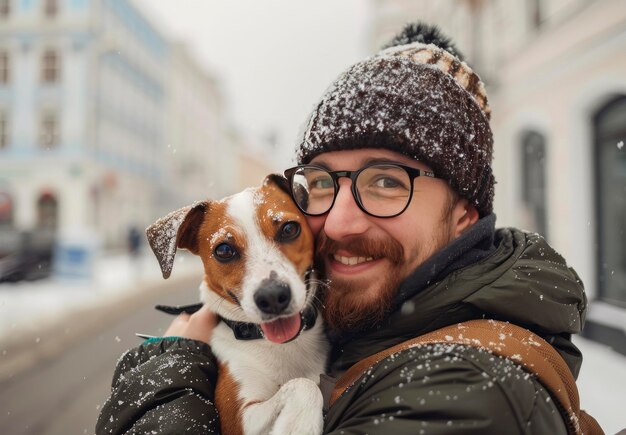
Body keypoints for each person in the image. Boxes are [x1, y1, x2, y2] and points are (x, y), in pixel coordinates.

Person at [97, 23, 588, 434]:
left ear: (464, 212)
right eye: (322, 183)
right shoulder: (364, 326)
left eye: (387, 182)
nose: (339, 220)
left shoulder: (469, 389)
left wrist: (165, 387)